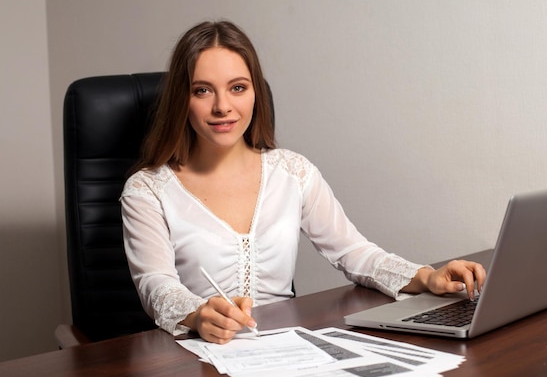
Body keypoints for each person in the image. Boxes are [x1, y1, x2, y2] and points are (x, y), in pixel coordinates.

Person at [121, 20, 485, 344]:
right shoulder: (147, 189)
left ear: (255, 94)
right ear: (181, 100)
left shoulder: (292, 172)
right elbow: (156, 284)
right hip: (196, 357)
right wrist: (198, 314)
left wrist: (427, 277)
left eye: (237, 87)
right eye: (202, 90)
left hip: (287, 350)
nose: (222, 107)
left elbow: (354, 252)